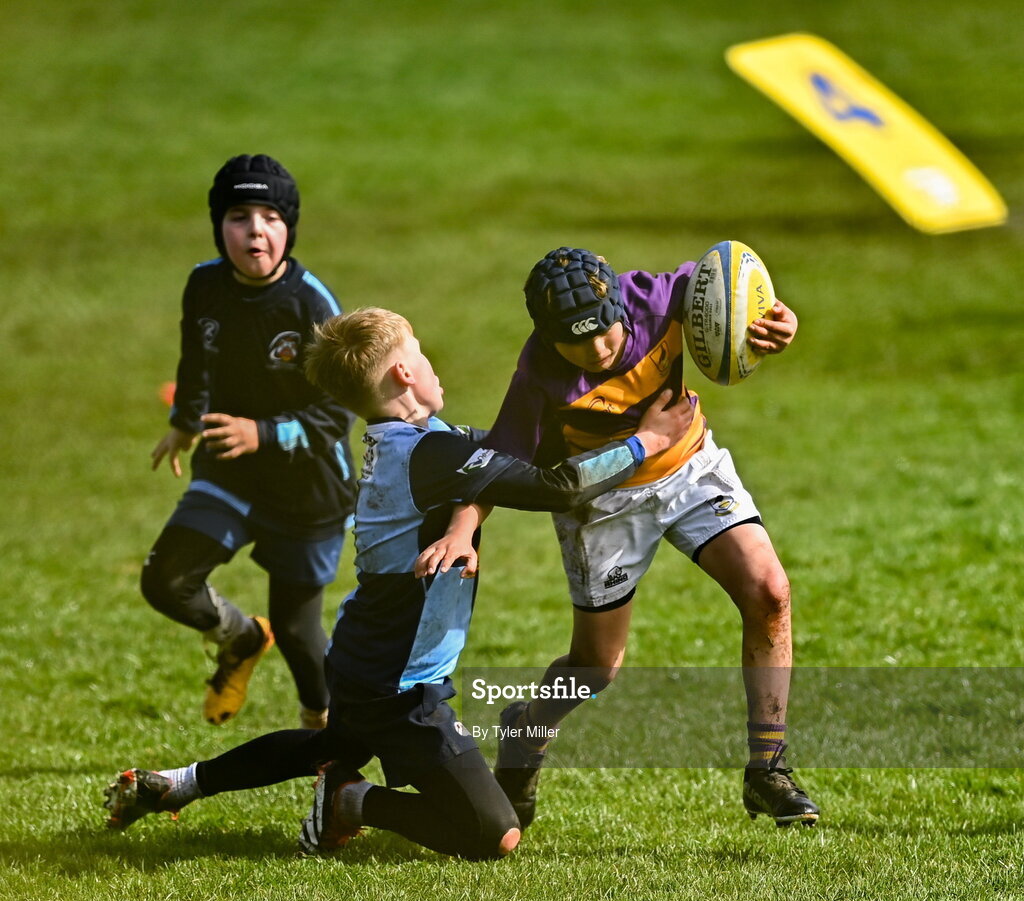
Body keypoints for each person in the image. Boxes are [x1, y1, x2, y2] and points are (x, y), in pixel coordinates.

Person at [104, 307, 694, 860]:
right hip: (400, 687)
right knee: (496, 833)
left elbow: (507, 460)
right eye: (423, 354)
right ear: (404, 372)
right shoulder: (431, 454)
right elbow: (555, 486)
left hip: (364, 658)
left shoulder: (412, 445)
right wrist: (648, 442)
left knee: (329, 747)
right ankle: (351, 801)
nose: (435, 365)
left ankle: (177, 784)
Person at [429, 247, 819, 829]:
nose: (597, 351)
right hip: (602, 504)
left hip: (690, 467)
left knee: (769, 592)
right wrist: (462, 531)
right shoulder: (539, 374)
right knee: (596, 668)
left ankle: (768, 766)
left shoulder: (660, 299)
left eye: (605, 332)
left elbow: (733, 292)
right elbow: (497, 464)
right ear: (546, 336)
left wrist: (774, 322)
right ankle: (524, 733)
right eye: (575, 342)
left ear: (618, 303)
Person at [140, 154, 357, 729]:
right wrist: (187, 421)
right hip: (229, 469)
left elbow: (339, 411)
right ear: (220, 226)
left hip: (308, 487)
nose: (255, 230)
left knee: (297, 631)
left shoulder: (313, 305)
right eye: (239, 215)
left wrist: (261, 433)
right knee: (166, 581)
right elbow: (197, 357)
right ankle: (238, 638)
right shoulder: (204, 285)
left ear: (289, 228)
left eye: (270, 216)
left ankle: (326, 737)